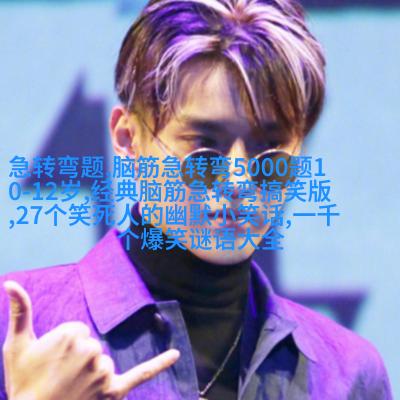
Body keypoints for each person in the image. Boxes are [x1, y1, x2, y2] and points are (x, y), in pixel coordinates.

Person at [0, 0, 393, 399]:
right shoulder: (19, 329)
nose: (238, 180)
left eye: (269, 150)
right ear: (127, 138)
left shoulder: (347, 373)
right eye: (205, 148)